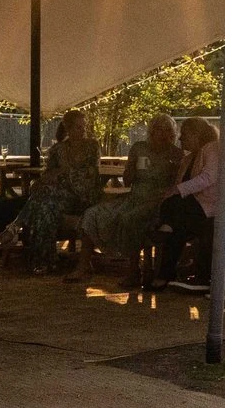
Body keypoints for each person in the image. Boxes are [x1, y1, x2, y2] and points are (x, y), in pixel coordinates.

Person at [71, 114, 182, 284]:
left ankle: (133, 270)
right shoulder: (139, 148)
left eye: (169, 131)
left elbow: (178, 186)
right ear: (152, 132)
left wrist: (172, 167)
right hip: (133, 197)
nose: (165, 134)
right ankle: (83, 266)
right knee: (92, 214)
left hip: (158, 201)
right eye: (160, 130)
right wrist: (131, 167)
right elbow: (128, 180)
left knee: (130, 218)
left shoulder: (177, 154)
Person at [14, 109, 102, 270]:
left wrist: (63, 172)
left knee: (44, 197)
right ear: (68, 128)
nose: (82, 131)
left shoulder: (92, 147)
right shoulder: (58, 149)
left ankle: (18, 226)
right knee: (45, 209)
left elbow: (91, 175)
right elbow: (48, 175)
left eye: (84, 127)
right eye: (78, 127)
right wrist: (60, 174)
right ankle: (47, 261)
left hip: (81, 197)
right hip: (58, 198)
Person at [163, 116, 225, 295]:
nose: (181, 139)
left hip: (213, 206)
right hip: (201, 205)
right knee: (175, 216)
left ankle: (172, 272)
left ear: (197, 135)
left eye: (185, 134)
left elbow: (208, 177)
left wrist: (177, 190)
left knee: (176, 212)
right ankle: (174, 272)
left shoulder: (213, 149)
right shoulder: (189, 158)